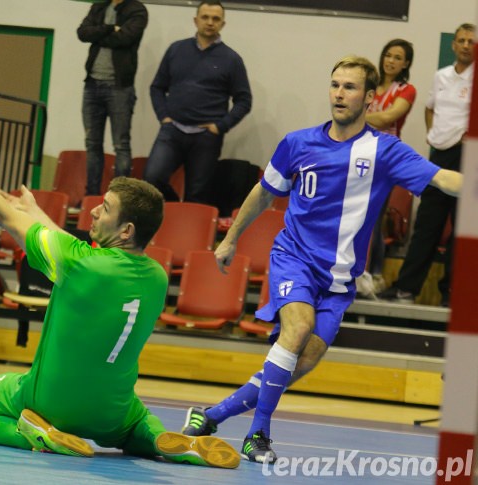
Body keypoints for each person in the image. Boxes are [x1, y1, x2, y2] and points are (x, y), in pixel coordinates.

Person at [180, 56, 463, 464]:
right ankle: (257, 434)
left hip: (340, 279)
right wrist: (230, 239)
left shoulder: (384, 151)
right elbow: (264, 193)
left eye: (349, 87)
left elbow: (441, 178)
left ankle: (212, 415)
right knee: (297, 329)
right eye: (335, 85)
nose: (339, 94)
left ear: (369, 98)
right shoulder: (297, 143)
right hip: (293, 257)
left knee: (305, 357)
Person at [0, 140, 239, 468]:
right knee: (137, 422)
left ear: (126, 230)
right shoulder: (157, 276)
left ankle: (36, 433)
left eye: (105, 207)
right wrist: (34, 212)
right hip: (112, 412)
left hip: (50, 401)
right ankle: (159, 439)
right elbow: (70, 245)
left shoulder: (78, 264)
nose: (93, 210)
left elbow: (5, 216)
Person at [379, 24, 474, 306]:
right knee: (426, 224)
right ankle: (406, 289)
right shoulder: (441, 76)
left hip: (468, 157)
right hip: (440, 155)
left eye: (472, 41)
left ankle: (452, 293)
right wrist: (432, 135)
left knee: (462, 227)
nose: (466, 45)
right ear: (454, 46)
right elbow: (430, 107)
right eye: (461, 41)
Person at [143, 0, 251, 204]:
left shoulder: (231, 59)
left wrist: (220, 127)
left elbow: (244, 100)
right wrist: (164, 118)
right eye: (205, 17)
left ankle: (187, 230)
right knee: (152, 179)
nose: (210, 22)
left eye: (216, 19)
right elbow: (157, 87)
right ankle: (174, 207)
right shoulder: (176, 50)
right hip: (172, 131)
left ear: (222, 24)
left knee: (197, 194)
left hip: (206, 138)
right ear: (196, 20)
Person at [76, 0, 148, 196]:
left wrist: (97, 34)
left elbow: (124, 39)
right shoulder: (99, 6)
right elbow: (82, 33)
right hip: (92, 85)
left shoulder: (137, 10)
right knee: (92, 144)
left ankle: (120, 199)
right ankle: (90, 197)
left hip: (120, 88)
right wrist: (109, 28)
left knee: (121, 145)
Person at [362, 39, 416, 293]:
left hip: (385, 159)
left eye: (397, 57)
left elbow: (388, 117)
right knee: (356, 215)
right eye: (388, 55)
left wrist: (358, 116)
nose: (390, 61)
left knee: (373, 216)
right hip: (359, 154)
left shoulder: (406, 89)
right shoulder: (369, 84)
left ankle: (373, 274)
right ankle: (360, 272)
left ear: (405, 63)